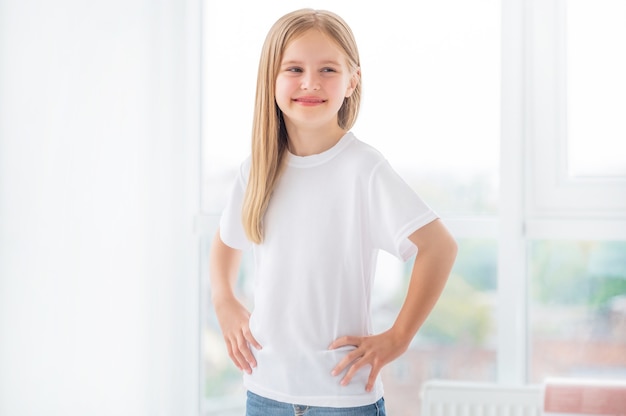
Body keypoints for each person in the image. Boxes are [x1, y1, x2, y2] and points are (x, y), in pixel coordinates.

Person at [209, 8, 458, 416]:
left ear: (351, 81)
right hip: (265, 392)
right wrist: (223, 299)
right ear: (270, 78)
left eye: (328, 69)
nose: (310, 83)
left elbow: (439, 247)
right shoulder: (256, 169)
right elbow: (225, 242)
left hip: (342, 399)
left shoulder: (363, 168)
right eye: (294, 69)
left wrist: (397, 337)